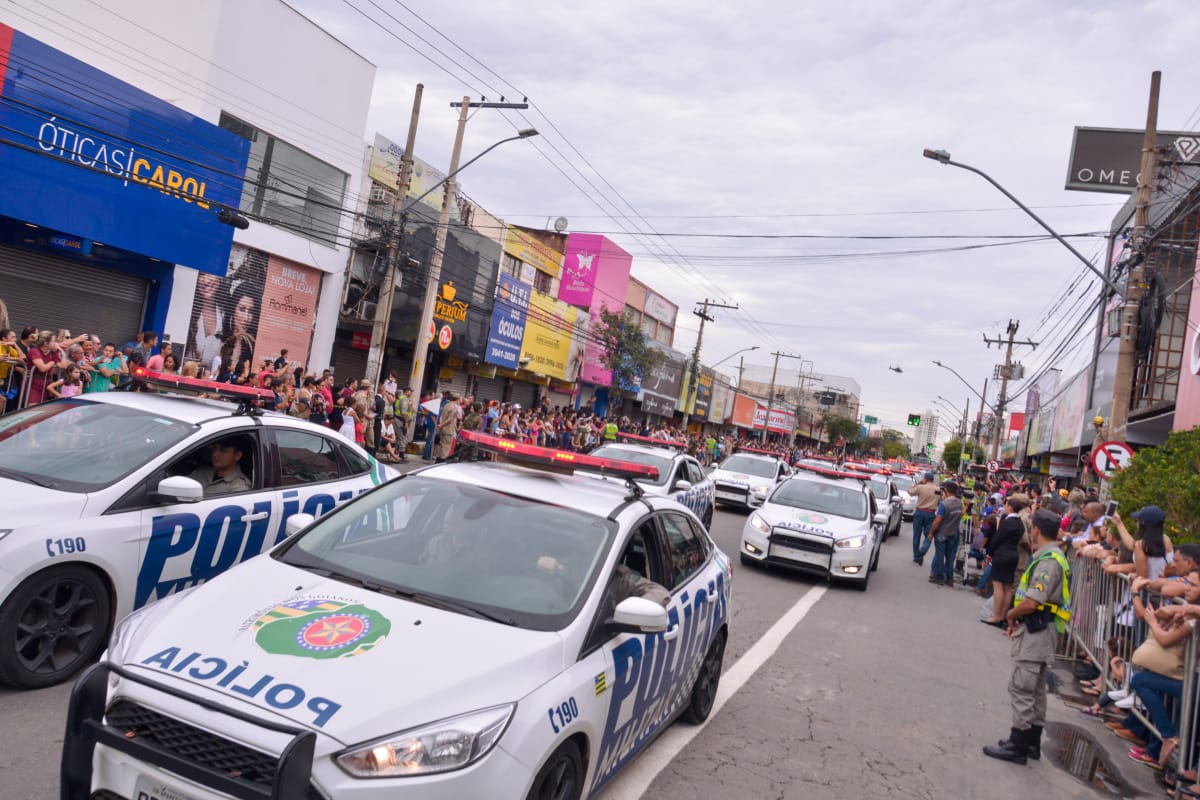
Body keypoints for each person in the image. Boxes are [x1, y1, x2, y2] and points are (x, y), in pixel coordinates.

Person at [982, 509, 1070, 764]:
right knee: (1036, 687)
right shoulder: (1054, 556)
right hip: (1041, 627)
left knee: (1022, 686)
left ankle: (1018, 743)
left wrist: (1011, 615)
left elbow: (1033, 601)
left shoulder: (1049, 561)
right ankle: (1031, 741)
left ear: (1036, 531)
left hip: (1037, 629)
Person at [983, 494, 1029, 625]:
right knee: (1008, 587)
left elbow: (997, 539)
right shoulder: (1020, 524)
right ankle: (1003, 615)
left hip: (1002, 554)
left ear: (1010, 507)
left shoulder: (1007, 522)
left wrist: (989, 552)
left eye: (1006, 505)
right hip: (1014, 555)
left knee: (998, 586)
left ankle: (996, 616)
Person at [926, 481, 963, 587]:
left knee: (940, 556)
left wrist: (931, 533)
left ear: (946, 491)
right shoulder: (959, 503)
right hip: (953, 534)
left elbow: (937, 520)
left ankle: (940, 577)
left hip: (942, 534)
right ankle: (950, 579)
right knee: (950, 557)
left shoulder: (944, 504)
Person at [910, 471, 939, 565]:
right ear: (933, 480)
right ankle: (923, 549)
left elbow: (910, 492)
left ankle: (916, 556)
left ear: (925, 479)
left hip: (919, 512)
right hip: (931, 513)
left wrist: (919, 483)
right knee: (929, 535)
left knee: (916, 535)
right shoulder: (937, 489)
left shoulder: (921, 487)